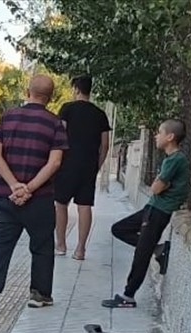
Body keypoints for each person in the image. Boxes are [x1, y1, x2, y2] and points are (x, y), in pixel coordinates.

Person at [0, 74, 68, 312]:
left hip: (6, 194)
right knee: (42, 244)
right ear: (51, 97)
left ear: (28, 92)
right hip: (40, 197)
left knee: (1, 241)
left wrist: (14, 184)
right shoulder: (55, 123)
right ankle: (39, 293)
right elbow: (55, 162)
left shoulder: (7, 117)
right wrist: (29, 187)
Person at [101, 119, 190, 309]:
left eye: (159, 132)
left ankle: (128, 296)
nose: (156, 136)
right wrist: (158, 184)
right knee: (119, 229)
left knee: (141, 253)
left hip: (159, 210)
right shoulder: (169, 159)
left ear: (170, 137)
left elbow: (156, 188)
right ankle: (157, 249)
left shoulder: (175, 159)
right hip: (152, 208)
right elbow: (155, 187)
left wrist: (158, 183)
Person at [54, 75, 111, 260]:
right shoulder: (100, 114)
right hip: (88, 166)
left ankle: (61, 245)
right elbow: (105, 145)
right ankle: (80, 249)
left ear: (76, 89)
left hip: (67, 163)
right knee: (85, 206)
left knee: (60, 204)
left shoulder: (67, 109)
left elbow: (59, 135)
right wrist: (98, 165)